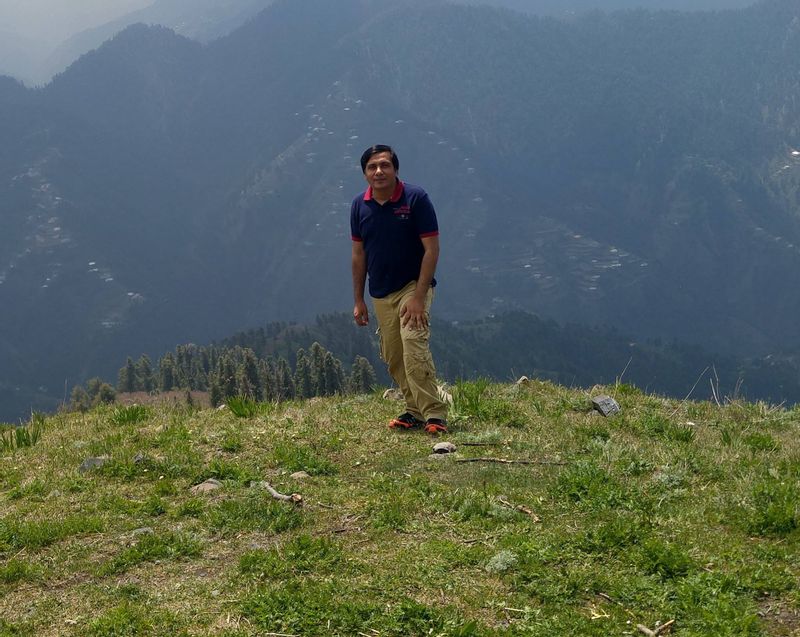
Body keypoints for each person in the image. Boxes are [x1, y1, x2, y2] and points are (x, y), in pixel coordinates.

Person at [350, 144, 449, 434]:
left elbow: (431, 249)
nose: (379, 171)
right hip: (380, 291)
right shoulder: (360, 205)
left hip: (413, 286)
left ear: (395, 169)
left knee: (413, 345)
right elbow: (359, 254)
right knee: (394, 356)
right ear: (365, 173)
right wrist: (358, 299)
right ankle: (414, 410)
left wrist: (419, 296)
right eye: (372, 167)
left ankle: (435, 414)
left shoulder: (415, 198)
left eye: (385, 165)